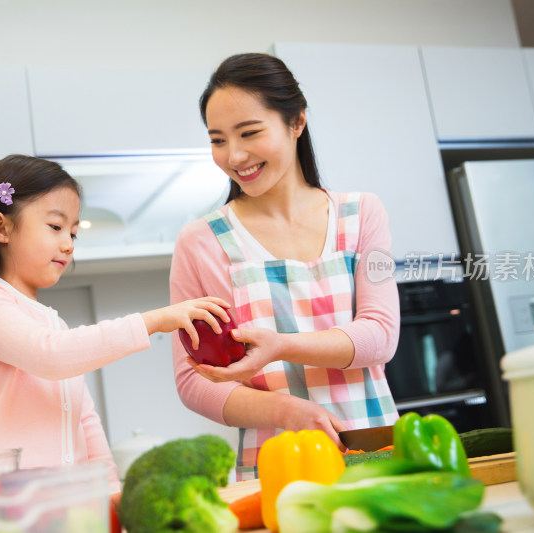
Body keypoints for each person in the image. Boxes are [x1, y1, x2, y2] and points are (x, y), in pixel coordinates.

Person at [0, 154, 230, 494]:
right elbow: (52, 356)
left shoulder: (53, 324)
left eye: (73, 232)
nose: (68, 244)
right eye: (56, 227)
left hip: (54, 508)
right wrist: (154, 320)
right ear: (1, 227)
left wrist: (112, 495)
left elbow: (85, 421)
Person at [169, 53, 400, 480]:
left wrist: (281, 346)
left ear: (296, 122)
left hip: (376, 449)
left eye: (249, 132)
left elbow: (382, 335)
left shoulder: (364, 213)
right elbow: (194, 379)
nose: (234, 155)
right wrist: (286, 410)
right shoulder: (201, 242)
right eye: (218, 139)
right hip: (277, 464)